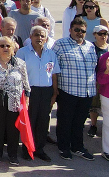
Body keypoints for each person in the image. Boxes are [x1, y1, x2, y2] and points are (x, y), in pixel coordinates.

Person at [0, 35, 31, 165]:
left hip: (15, 103)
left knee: (13, 129)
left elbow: (26, 85)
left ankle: (13, 154)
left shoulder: (20, 63)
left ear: (13, 48)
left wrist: (25, 104)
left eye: (8, 46)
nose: (5, 48)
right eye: (2, 46)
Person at [53, 16, 98, 160]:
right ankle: (64, 147)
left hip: (87, 92)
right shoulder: (60, 44)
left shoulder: (90, 46)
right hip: (68, 91)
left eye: (83, 31)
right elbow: (54, 68)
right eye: (77, 30)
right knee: (65, 121)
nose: (80, 33)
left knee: (79, 122)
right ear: (70, 30)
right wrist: (55, 89)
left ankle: (77, 147)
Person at [16, 25, 58, 161]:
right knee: (30, 120)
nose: (39, 38)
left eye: (42, 36)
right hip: (29, 91)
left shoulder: (51, 54)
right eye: (36, 35)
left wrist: (55, 92)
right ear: (30, 37)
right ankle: (27, 148)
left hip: (46, 91)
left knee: (43, 121)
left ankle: (39, 149)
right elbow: (17, 73)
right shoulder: (22, 53)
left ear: (46, 39)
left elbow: (54, 74)